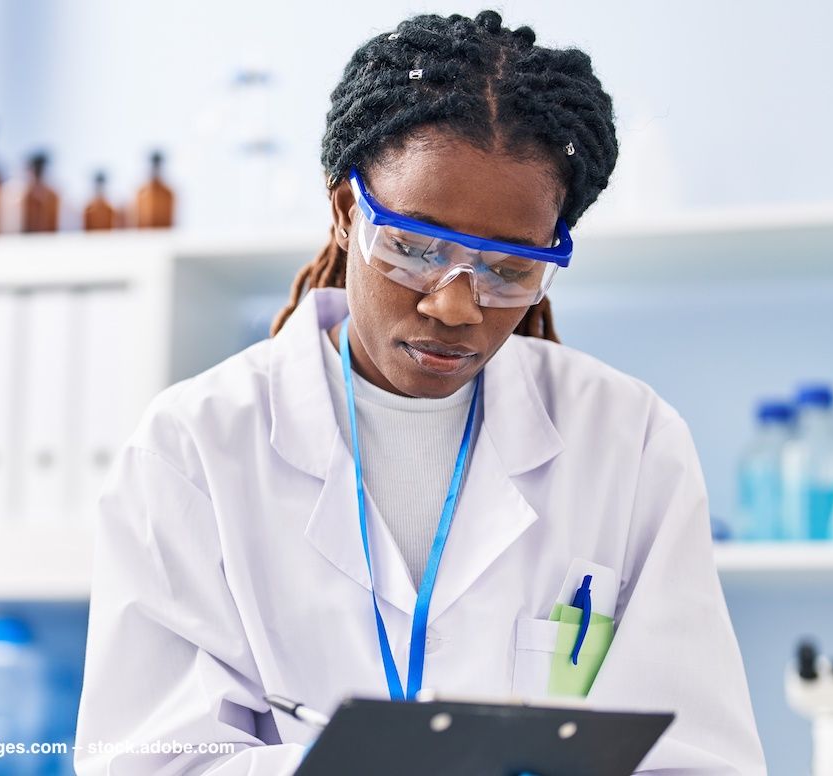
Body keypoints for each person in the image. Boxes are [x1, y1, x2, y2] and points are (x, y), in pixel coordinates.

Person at [75, 10, 765, 775]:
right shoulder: (195, 446)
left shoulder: (629, 440)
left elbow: (698, 755)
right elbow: (150, 759)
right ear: (346, 215)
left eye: (510, 268)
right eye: (413, 248)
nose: (456, 306)